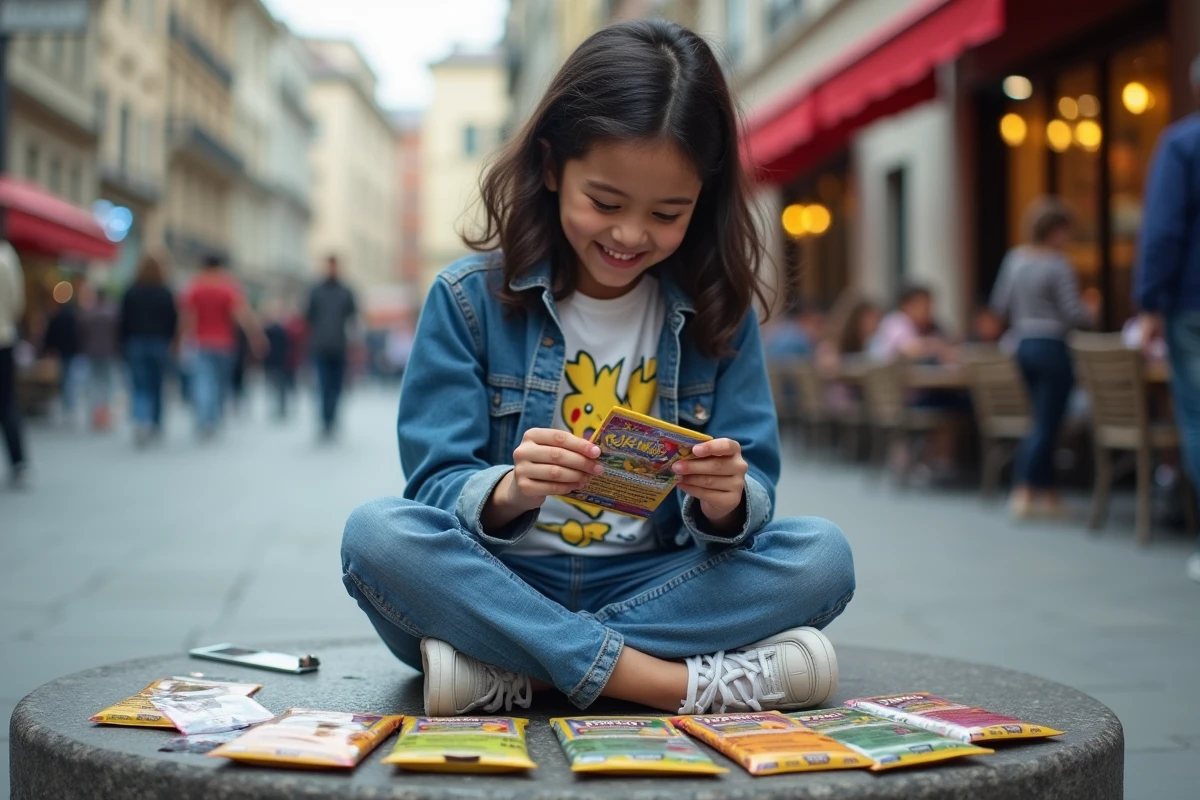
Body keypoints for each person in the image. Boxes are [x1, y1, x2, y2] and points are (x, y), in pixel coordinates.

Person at [340, 20, 855, 719]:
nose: (630, 235)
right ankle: (670, 685)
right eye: (605, 203)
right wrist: (511, 490)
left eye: (667, 213)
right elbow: (433, 487)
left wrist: (727, 498)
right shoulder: (467, 299)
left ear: (702, 200)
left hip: (656, 582)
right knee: (377, 536)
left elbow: (756, 484)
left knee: (822, 556)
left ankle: (521, 672)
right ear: (551, 166)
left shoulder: (718, 311)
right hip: (502, 579)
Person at [1134, 56, 1200, 583]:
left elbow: (1163, 230)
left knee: (1197, 417)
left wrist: (1151, 302)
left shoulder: (1184, 144)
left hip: (1192, 304)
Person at [992, 197, 1096, 519]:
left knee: (1041, 418)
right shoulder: (1057, 264)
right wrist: (1092, 310)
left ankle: (1048, 494)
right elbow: (1073, 312)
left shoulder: (1014, 259)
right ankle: (1024, 490)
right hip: (1052, 347)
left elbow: (999, 305)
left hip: (1023, 345)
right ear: (1055, 230)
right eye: (1065, 230)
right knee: (1048, 422)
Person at [179, 254, 264, 438]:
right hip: (225, 344)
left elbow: (187, 317)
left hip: (201, 342)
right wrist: (256, 337)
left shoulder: (195, 286)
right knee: (219, 383)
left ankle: (204, 418)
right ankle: (213, 418)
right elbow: (243, 315)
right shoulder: (229, 287)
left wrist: (180, 339)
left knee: (203, 381)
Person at [120, 253, 178, 445]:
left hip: (135, 342)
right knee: (157, 385)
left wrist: (123, 343)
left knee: (139, 385)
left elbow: (123, 320)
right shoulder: (165, 292)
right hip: (159, 344)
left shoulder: (131, 291)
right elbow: (172, 321)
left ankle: (141, 420)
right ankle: (155, 423)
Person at [306, 255, 358, 438]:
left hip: (340, 346)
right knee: (323, 385)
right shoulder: (315, 291)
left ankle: (333, 417)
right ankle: (325, 420)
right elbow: (308, 317)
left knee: (336, 386)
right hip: (320, 346)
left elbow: (353, 318)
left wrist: (354, 343)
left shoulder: (346, 291)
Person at [0, 239, 27, 487]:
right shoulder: (6, 256)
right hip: (4, 338)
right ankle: (18, 462)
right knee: (7, 402)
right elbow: (18, 303)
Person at [78, 286, 121, 431]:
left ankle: (95, 413)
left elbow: (82, 333)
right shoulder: (112, 314)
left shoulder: (89, 314)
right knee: (108, 383)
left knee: (93, 383)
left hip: (92, 352)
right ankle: (105, 414)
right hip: (109, 352)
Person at [42, 292, 82, 421]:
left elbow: (51, 334)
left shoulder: (57, 316)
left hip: (61, 350)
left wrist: (48, 348)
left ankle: (68, 402)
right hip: (71, 350)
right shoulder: (73, 316)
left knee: (66, 376)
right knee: (69, 376)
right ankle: (69, 403)